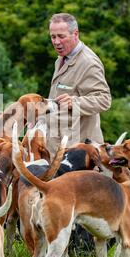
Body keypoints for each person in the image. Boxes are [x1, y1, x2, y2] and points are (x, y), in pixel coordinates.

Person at [46, 12, 111, 158]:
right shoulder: (61, 59)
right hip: (58, 148)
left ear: (75, 34)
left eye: (61, 36)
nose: (56, 42)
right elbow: (56, 99)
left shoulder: (88, 62)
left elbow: (104, 100)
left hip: (79, 154)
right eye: (53, 36)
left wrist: (73, 102)